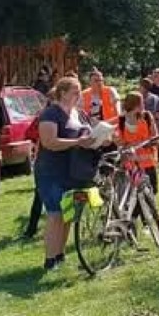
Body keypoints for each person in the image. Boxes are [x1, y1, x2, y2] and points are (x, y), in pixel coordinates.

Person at [32, 76, 98, 271]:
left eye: (79, 91)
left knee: (68, 214)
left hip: (75, 172)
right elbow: (49, 142)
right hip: (51, 172)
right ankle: (49, 260)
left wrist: (100, 138)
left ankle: (60, 255)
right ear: (62, 93)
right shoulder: (50, 114)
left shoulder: (79, 113)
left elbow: (88, 133)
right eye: (75, 92)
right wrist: (77, 142)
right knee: (55, 215)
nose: (79, 95)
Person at [116, 92, 159, 195]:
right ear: (135, 105)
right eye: (141, 102)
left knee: (152, 191)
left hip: (147, 162)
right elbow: (120, 142)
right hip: (131, 164)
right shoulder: (121, 120)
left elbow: (155, 137)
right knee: (133, 193)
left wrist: (144, 143)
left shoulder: (147, 116)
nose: (143, 104)